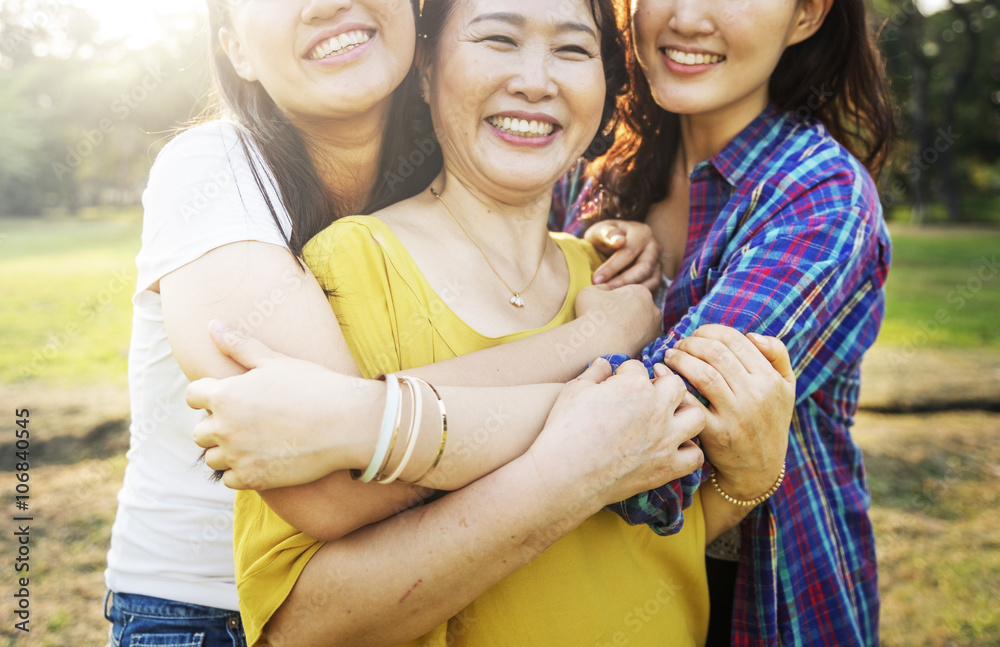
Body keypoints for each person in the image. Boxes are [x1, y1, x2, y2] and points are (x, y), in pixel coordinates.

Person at [189, 0, 795, 645]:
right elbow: (302, 629)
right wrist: (580, 449)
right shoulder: (352, 267)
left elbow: (647, 526)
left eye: (571, 50)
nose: (537, 81)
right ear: (424, 70)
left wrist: (749, 483)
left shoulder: (622, 280)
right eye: (498, 39)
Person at [102, 0, 671, 645]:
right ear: (234, 49)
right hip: (207, 611)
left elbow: (360, 425)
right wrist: (602, 364)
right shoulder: (213, 170)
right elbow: (339, 483)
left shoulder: (447, 153)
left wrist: (607, 241)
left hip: (398, 586)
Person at [550, 0, 894, 644]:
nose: (685, 17)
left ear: (808, 15)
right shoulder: (593, 178)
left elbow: (648, 455)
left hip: (756, 601)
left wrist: (401, 423)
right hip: (581, 594)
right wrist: (577, 256)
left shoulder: (819, 196)